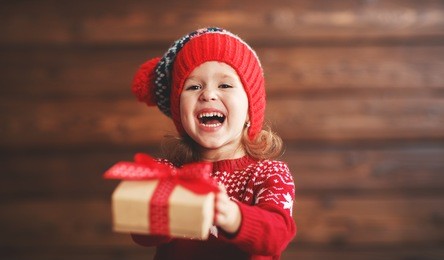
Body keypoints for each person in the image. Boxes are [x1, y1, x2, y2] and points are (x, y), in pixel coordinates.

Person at [130, 27, 296, 260]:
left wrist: (232, 215)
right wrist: (164, 212)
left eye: (225, 85)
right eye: (194, 86)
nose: (208, 95)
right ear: (179, 112)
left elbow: (277, 235)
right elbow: (140, 233)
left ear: (250, 110)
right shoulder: (166, 174)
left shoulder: (269, 174)